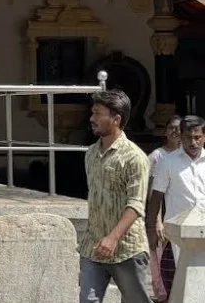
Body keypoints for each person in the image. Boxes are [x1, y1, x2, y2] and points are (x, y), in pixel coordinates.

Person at [78, 89, 154, 303]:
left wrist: (112, 238)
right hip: (93, 248)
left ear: (116, 119)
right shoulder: (90, 154)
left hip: (127, 250)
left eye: (98, 114)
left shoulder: (135, 158)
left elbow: (136, 204)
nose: (92, 119)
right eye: (92, 113)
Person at [147, 115, 205, 285]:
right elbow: (156, 196)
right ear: (181, 136)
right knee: (179, 282)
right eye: (188, 137)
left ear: (204, 137)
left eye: (197, 137)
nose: (193, 142)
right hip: (178, 235)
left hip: (204, 231)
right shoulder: (168, 162)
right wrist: (152, 227)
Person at [147, 115, 183, 300]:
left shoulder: (191, 158)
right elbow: (154, 194)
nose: (175, 131)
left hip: (184, 219)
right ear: (165, 131)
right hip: (164, 219)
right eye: (172, 128)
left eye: (179, 128)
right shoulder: (157, 156)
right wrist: (157, 222)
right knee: (163, 265)